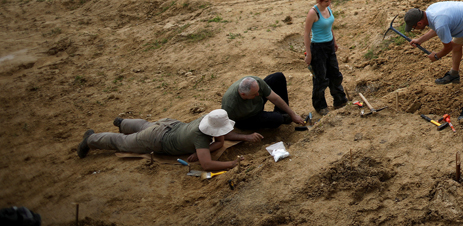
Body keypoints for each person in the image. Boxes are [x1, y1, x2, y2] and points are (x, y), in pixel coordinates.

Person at [76, 109, 245, 172]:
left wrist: (200, 151)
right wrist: (231, 164)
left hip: (169, 125)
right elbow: (206, 165)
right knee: (123, 143)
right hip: (157, 139)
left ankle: (123, 123)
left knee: (145, 125)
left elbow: (220, 142)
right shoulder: (200, 137)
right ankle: (90, 139)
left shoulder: (207, 118)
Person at [404, 1, 463, 123]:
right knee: (456, 45)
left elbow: (447, 47)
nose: (415, 29)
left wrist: (437, 56)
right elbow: (437, 29)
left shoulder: (440, 22)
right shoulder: (431, 11)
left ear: (419, 22)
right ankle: (454, 74)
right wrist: (420, 40)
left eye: (414, 27)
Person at [303, 0, 348, 115]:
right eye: (326, 1)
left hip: (329, 45)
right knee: (320, 78)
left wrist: (334, 41)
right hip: (318, 48)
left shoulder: (328, 9)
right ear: (318, 0)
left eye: (330, 0)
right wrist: (309, 54)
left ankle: (340, 100)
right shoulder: (313, 13)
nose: (329, 3)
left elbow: (329, 26)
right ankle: (320, 105)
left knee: (335, 74)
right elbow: (306, 34)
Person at [221, 73, 305, 139]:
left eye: (258, 91)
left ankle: (283, 114)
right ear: (243, 94)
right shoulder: (230, 105)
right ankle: (280, 117)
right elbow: (225, 133)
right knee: (277, 119)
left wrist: (292, 114)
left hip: (256, 106)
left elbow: (275, 98)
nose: (258, 94)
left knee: (278, 77)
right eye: (254, 94)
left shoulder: (255, 82)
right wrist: (247, 137)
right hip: (246, 118)